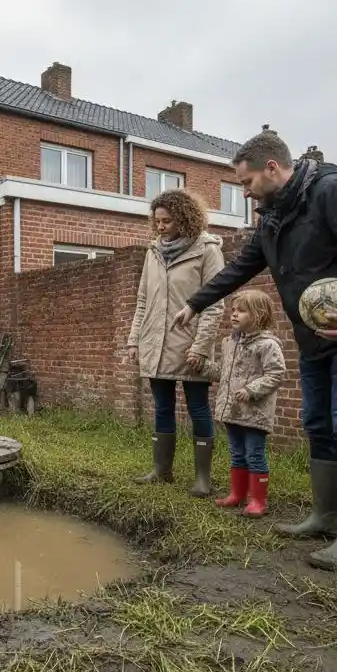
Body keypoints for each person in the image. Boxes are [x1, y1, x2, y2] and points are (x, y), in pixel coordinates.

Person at [171, 130, 337, 572]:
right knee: (317, 421)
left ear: (272, 168)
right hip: (313, 338)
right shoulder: (272, 218)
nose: (245, 191)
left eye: (247, 182)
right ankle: (325, 516)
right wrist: (195, 304)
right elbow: (240, 268)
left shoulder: (334, 192)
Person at [125, 189, 227, 498]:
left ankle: (202, 479)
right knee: (162, 407)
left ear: (184, 218)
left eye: (167, 221)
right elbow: (143, 301)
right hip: (155, 342)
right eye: (156, 221)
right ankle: (161, 471)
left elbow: (215, 304)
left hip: (189, 344)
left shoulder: (207, 250)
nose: (160, 227)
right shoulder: (152, 252)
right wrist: (134, 340)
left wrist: (200, 346)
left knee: (198, 407)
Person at [201, 289, 286, 518]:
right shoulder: (229, 343)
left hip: (255, 412)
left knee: (254, 454)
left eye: (241, 310)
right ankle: (237, 494)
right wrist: (203, 366)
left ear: (258, 315)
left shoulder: (268, 345)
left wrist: (251, 390)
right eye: (233, 310)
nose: (234, 315)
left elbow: (276, 374)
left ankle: (258, 500)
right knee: (237, 453)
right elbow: (223, 373)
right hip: (232, 410)